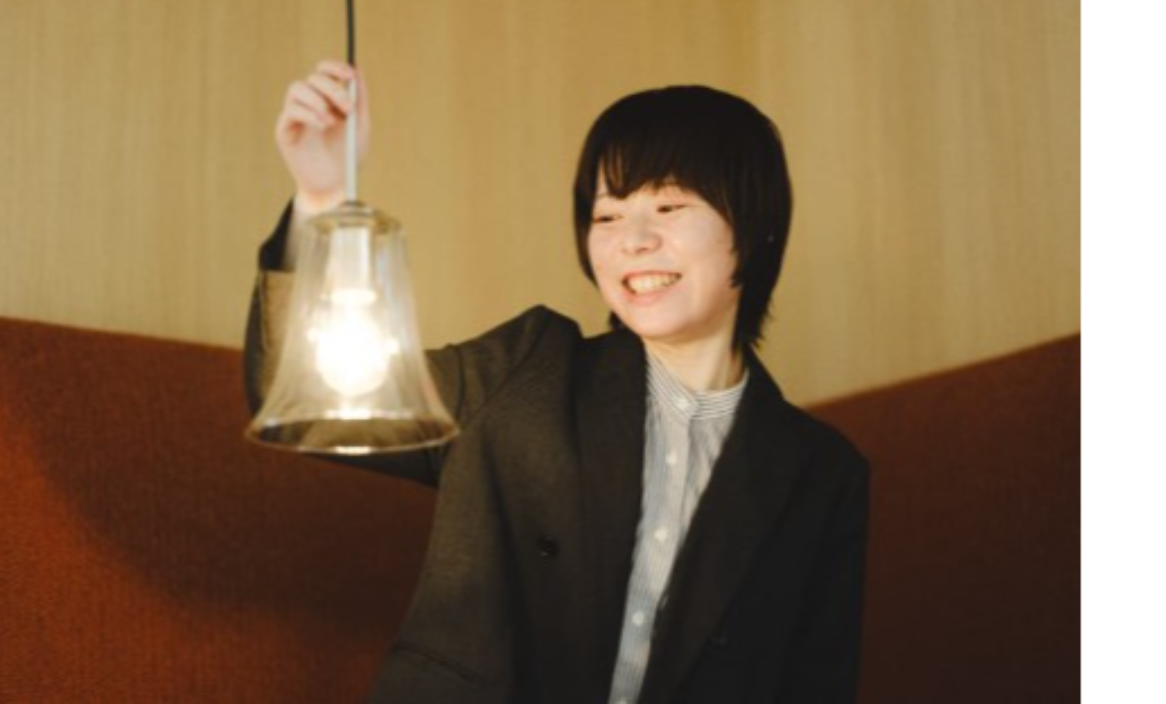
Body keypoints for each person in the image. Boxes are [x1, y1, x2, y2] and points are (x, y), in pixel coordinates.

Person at [246, 61, 871, 704]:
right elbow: (300, 394)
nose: (633, 240)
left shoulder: (821, 474)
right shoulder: (529, 371)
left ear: (756, 226)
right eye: (607, 216)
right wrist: (320, 197)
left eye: (669, 205)